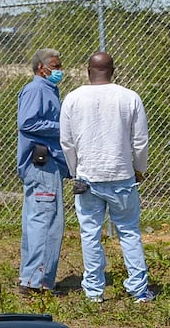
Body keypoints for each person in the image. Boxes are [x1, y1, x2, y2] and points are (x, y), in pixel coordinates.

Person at [60, 51, 155, 303]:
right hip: (122, 175)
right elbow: (140, 141)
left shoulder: (73, 99)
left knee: (90, 233)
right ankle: (138, 289)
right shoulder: (129, 97)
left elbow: (67, 142)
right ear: (113, 71)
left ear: (88, 70)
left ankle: (94, 292)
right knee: (129, 231)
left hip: (87, 177)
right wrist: (139, 168)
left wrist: (74, 170)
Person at [15, 48, 68, 294]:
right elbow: (27, 122)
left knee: (37, 220)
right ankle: (38, 283)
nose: (59, 71)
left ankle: (31, 279)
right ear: (41, 68)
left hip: (44, 164)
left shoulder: (48, 89)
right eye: (55, 67)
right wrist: (63, 127)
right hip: (43, 164)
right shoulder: (36, 89)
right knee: (46, 222)